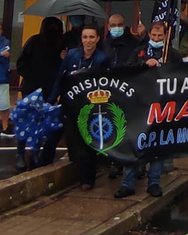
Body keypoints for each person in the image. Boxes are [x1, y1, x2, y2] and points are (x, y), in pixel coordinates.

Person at [52, 25, 112, 190]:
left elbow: (108, 81)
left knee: (88, 140)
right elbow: (60, 76)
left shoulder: (103, 58)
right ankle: (76, 170)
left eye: (92, 37)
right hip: (70, 104)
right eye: (85, 37)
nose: (88, 41)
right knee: (72, 138)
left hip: (91, 106)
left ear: (98, 39)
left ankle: (87, 179)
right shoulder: (72, 55)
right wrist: (52, 98)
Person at [115, 23, 168, 199]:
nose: (156, 39)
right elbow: (127, 70)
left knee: (157, 145)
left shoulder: (172, 54)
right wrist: (144, 64)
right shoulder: (139, 51)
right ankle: (127, 183)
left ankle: (154, 183)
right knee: (134, 142)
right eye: (154, 35)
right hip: (138, 105)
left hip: (161, 106)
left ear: (165, 36)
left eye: (160, 36)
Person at [15, 16, 65, 170]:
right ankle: (20, 153)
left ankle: (36, 152)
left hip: (50, 91)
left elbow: (62, 68)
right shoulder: (34, 41)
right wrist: (32, 77)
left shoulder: (61, 45)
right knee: (27, 121)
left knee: (45, 124)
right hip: (31, 89)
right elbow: (21, 64)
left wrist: (63, 58)